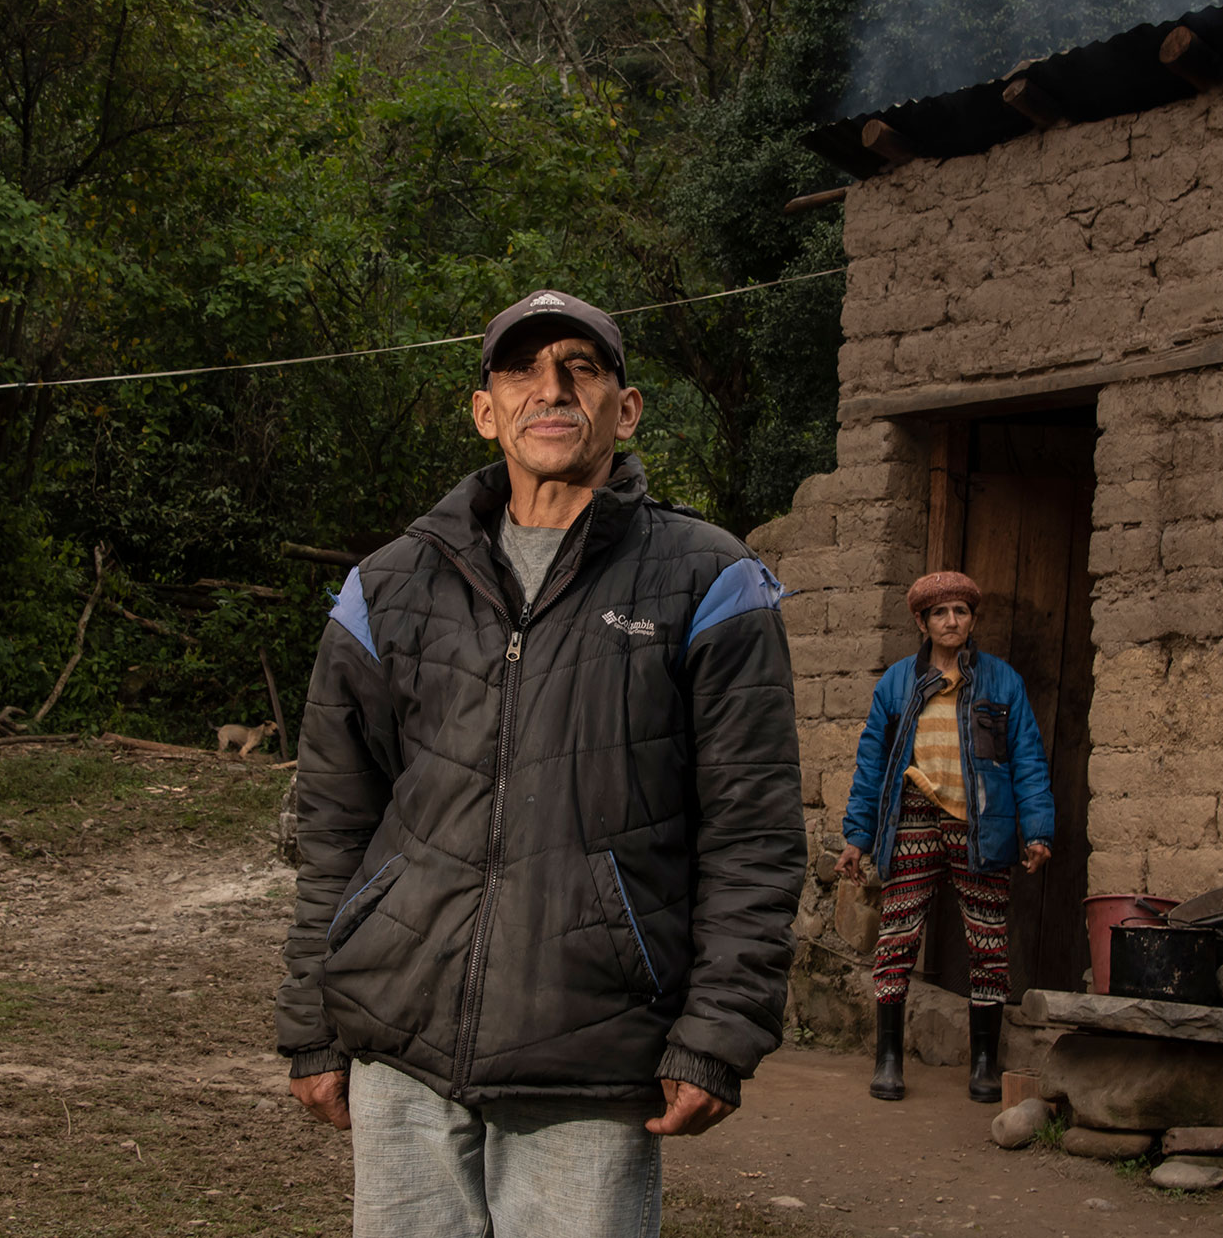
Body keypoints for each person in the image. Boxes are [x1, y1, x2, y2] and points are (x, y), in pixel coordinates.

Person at [275, 288, 806, 1238]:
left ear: (625, 408)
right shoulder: (387, 586)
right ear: (486, 411)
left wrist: (720, 1031)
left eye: (581, 368)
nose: (549, 390)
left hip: (591, 1056)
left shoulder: (709, 582)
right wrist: (314, 1021)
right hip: (400, 1042)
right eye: (522, 370)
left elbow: (754, 832)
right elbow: (334, 825)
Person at [836, 571, 1055, 1103]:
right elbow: (871, 765)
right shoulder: (896, 684)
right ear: (922, 622)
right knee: (897, 935)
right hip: (911, 815)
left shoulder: (1002, 683)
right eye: (940, 613)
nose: (951, 621)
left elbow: (1026, 758)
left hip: (981, 822)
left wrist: (1039, 830)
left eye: (960, 611)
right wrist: (856, 838)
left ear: (972, 619)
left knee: (987, 940)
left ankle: (984, 1063)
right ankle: (888, 1059)